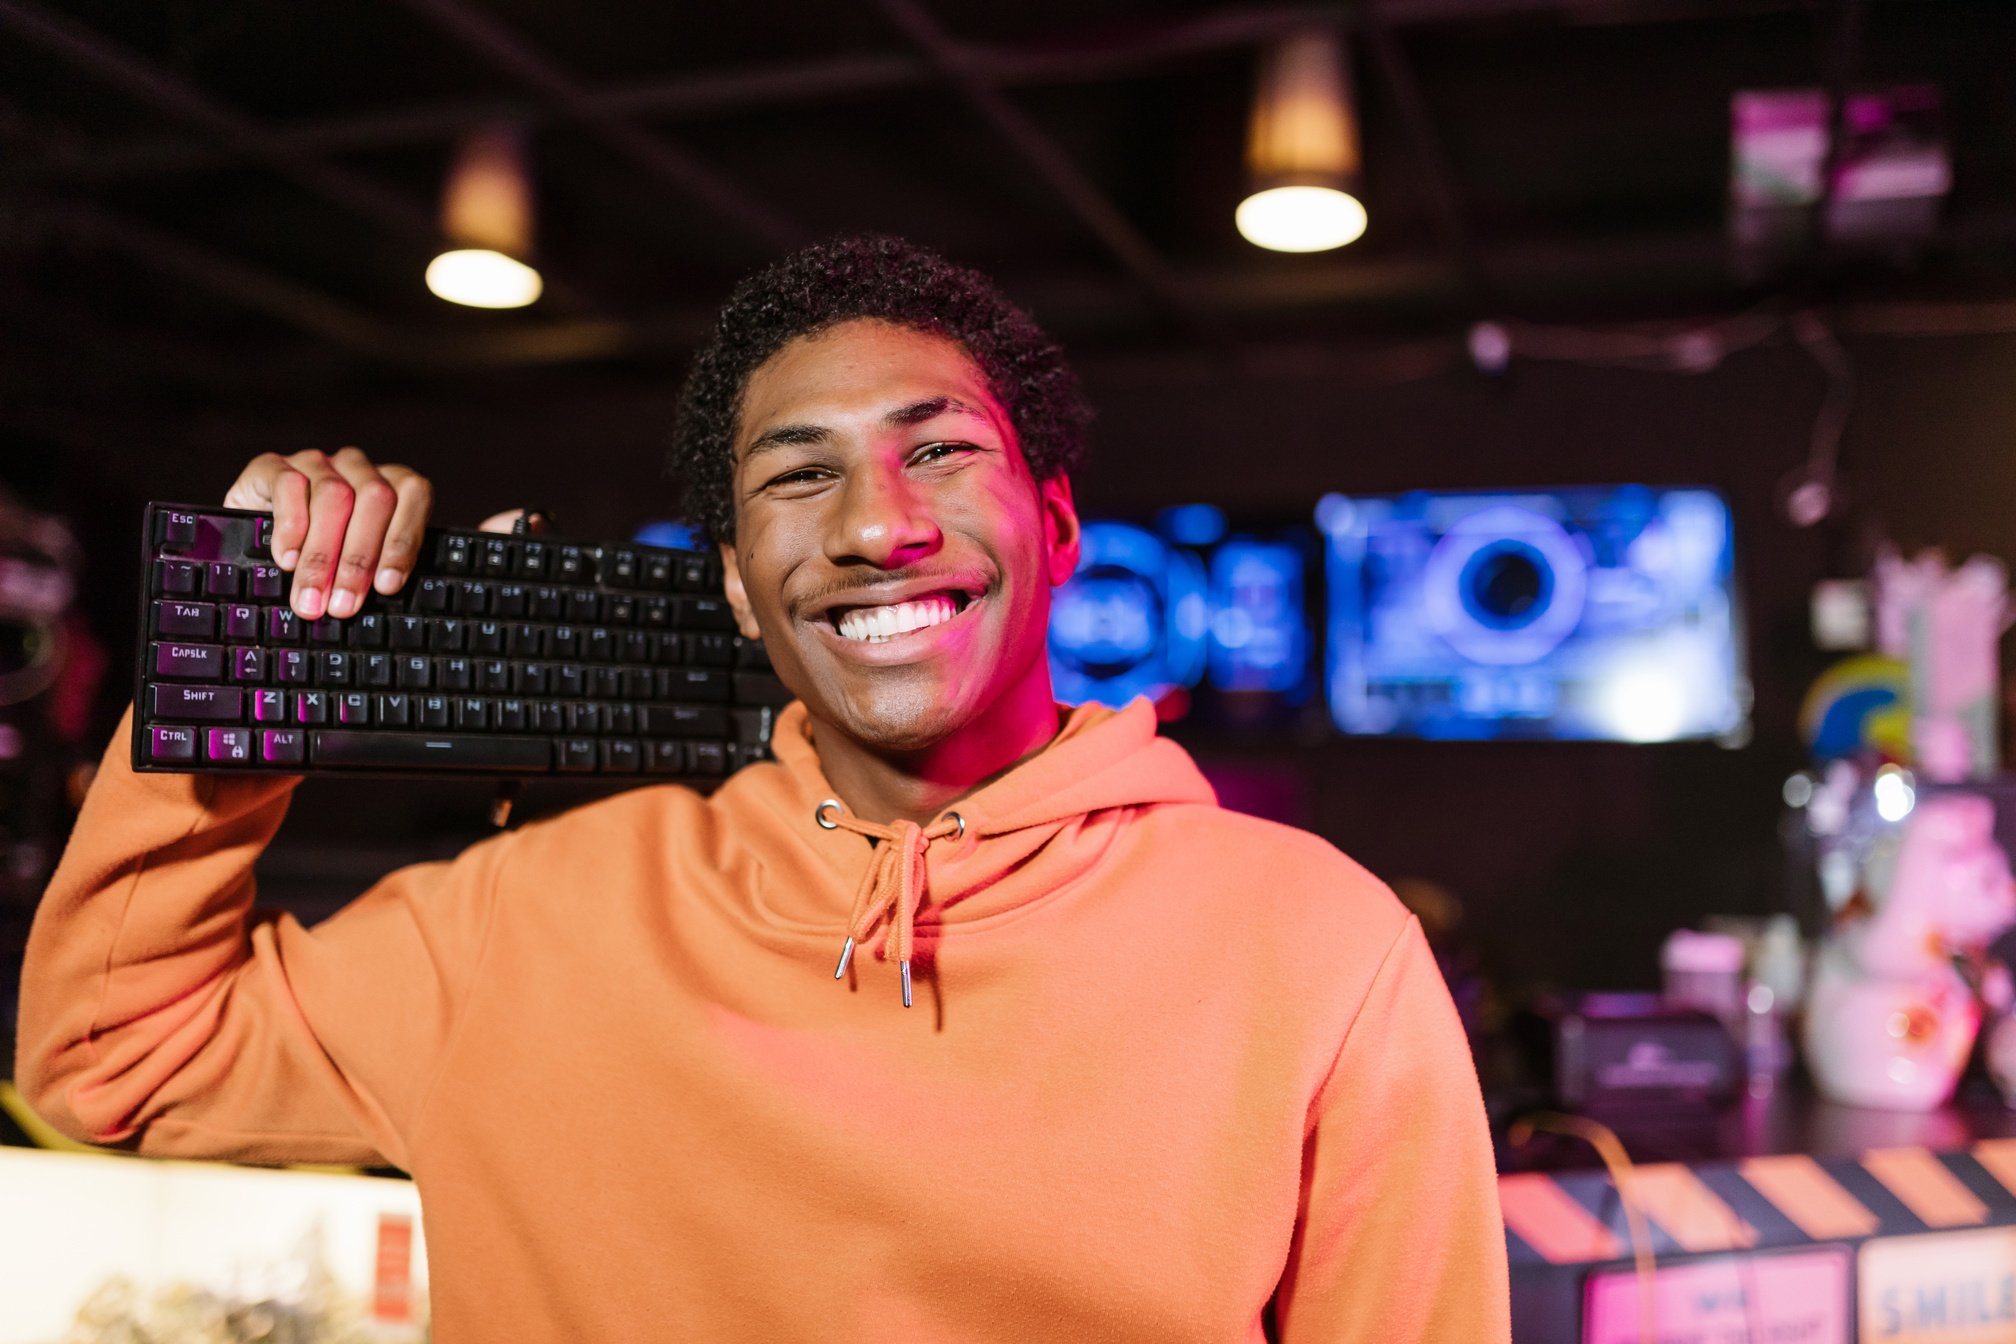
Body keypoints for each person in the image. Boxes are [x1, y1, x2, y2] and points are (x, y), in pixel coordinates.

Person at [17, 235, 1509, 1341]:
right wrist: (252, 664)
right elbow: (110, 1065)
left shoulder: (1314, 946)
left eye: (939, 451)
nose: (879, 525)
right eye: (800, 477)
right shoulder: (525, 921)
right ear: (738, 585)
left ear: (1057, 527)